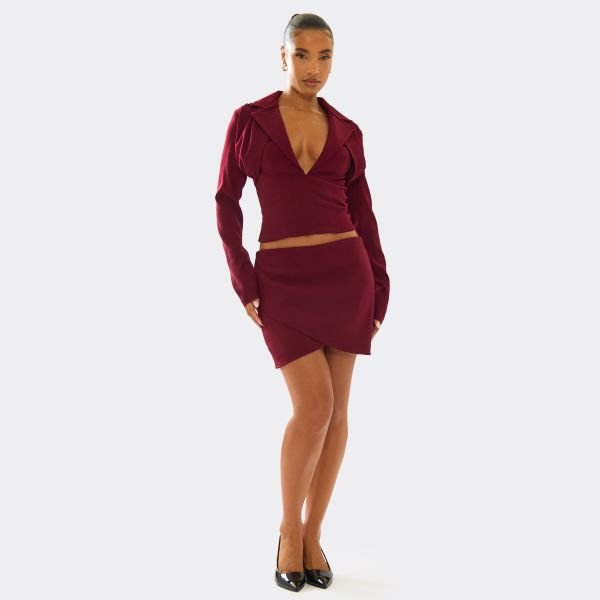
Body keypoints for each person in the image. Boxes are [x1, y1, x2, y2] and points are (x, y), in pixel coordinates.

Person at [214, 13, 390, 592]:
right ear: (283, 56)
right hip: (283, 280)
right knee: (312, 409)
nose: (315, 68)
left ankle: (315, 535)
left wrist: (381, 285)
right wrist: (243, 279)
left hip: (347, 276)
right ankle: (289, 530)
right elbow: (226, 201)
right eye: (304, 55)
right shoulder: (250, 121)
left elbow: (364, 214)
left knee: (337, 414)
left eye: (326, 56)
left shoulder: (348, 130)